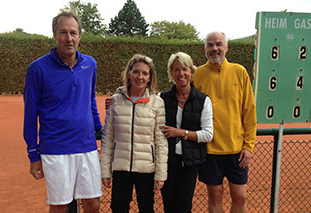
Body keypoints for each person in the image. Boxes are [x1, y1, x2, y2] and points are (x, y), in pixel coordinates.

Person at [23, 11, 103, 213]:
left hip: (86, 146)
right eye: (63, 33)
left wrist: (98, 130)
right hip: (55, 149)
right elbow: (30, 115)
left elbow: (90, 99)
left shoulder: (90, 64)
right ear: (54, 35)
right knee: (60, 207)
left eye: (73, 33)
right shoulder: (37, 69)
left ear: (80, 36)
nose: (69, 38)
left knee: (93, 204)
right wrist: (33, 155)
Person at [194, 32, 257, 213]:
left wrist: (249, 145)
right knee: (215, 196)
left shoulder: (240, 72)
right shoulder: (197, 74)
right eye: (210, 45)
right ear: (205, 48)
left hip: (237, 150)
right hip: (209, 150)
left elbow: (249, 112)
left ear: (226, 46)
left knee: (240, 196)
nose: (215, 48)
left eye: (219, 44)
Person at [100, 54, 168, 212]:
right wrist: (105, 170)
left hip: (146, 169)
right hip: (121, 168)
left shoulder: (157, 103)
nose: (140, 77)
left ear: (150, 78)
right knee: (118, 208)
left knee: (146, 208)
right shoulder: (115, 101)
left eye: (145, 73)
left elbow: (161, 141)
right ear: (129, 74)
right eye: (136, 72)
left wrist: (160, 174)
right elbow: (108, 138)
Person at [159, 52, 213, 213]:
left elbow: (208, 134)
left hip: (189, 162)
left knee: (184, 206)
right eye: (176, 70)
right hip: (167, 160)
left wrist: (181, 132)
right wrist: (120, 93)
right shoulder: (162, 97)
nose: (181, 74)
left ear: (191, 71)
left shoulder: (203, 100)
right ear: (171, 73)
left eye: (184, 69)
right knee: (169, 205)